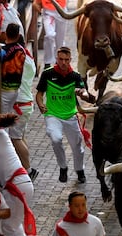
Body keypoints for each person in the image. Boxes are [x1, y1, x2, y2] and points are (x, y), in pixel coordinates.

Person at [36, 46, 89, 183]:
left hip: (70, 116)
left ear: (70, 59)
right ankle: (63, 167)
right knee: (56, 139)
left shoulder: (75, 76)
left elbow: (84, 92)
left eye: (66, 60)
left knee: (77, 147)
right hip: (53, 115)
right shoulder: (47, 74)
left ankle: (79, 169)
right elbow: (39, 94)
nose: (64, 62)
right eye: (61, 59)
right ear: (57, 59)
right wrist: (41, 104)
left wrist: (82, 93)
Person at [0, 111, 36, 236]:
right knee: (13, 225)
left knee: (9, 226)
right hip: (21, 184)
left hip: (16, 185)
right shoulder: (1, 133)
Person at [10, 38, 39, 182]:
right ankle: (25, 165)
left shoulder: (18, 59)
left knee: (15, 138)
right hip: (26, 102)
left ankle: (28, 170)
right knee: (20, 136)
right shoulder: (29, 58)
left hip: (20, 104)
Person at [32, 0, 67, 69]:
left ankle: (59, 61)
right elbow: (35, 4)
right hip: (48, 12)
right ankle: (47, 62)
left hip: (61, 11)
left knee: (60, 39)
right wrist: (40, 10)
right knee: (49, 35)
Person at [1, 23, 26, 114]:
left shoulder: (3, 51)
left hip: (4, 89)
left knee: (3, 118)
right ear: (18, 35)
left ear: (5, 34)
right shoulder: (22, 49)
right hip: (16, 89)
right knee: (8, 114)